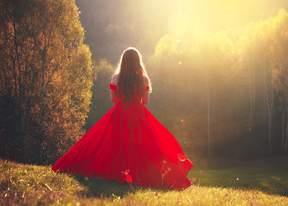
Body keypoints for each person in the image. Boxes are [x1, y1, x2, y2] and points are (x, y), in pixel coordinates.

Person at [52, 47, 193, 189]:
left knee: (113, 145)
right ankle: (140, 174)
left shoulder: (116, 78)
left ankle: (120, 172)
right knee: (145, 147)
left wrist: (124, 103)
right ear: (138, 62)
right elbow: (145, 102)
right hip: (138, 116)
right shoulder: (143, 79)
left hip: (119, 114)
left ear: (123, 61)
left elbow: (114, 99)